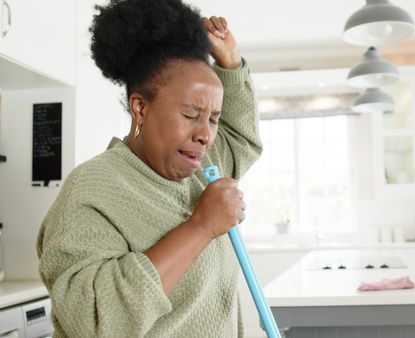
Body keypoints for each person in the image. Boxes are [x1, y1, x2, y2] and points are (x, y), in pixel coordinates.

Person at [36, 0, 261, 336]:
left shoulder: (202, 170)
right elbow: (95, 319)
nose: (205, 135)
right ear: (140, 107)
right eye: (190, 115)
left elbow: (241, 138)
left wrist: (230, 63)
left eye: (213, 119)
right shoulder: (93, 189)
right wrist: (201, 227)